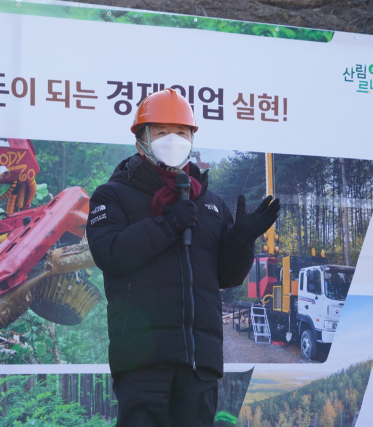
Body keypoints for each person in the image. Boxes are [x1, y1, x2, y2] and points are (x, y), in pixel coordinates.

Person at [86, 88, 280, 427]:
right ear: (140, 142)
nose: (172, 140)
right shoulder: (112, 194)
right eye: (161, 133)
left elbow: (227, 276)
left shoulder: (211, 202)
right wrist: (167, 223)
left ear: (192, 138)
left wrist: (242, 239)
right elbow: (110, 254)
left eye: (181, 132)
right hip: (142, 358)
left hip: (199, 361)